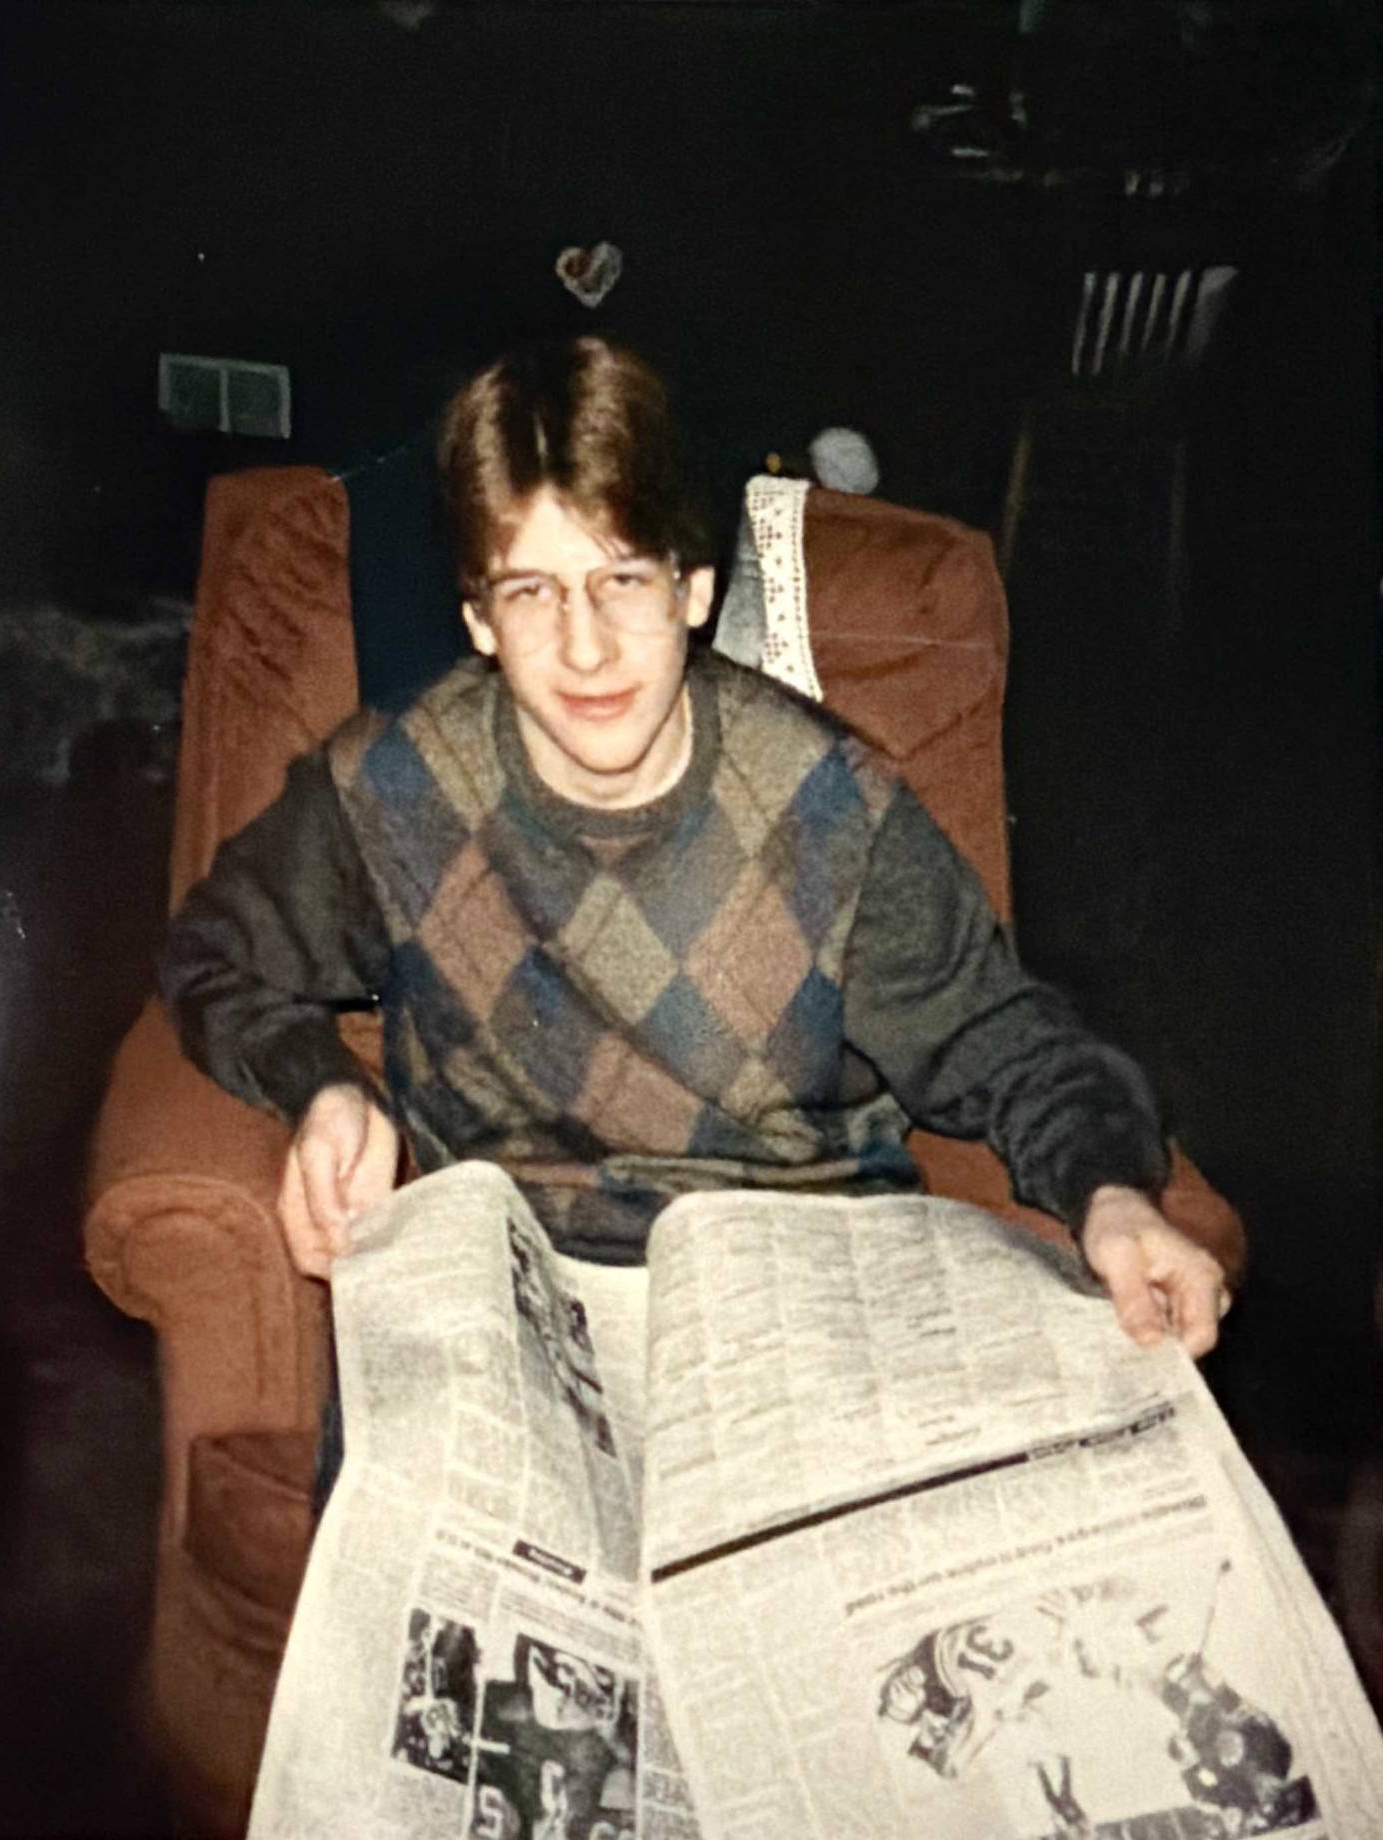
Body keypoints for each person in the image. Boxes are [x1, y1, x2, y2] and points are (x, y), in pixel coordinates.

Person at [159, 336, 1230, 1358]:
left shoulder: (831, 809)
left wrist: (1114, 1195)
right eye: (533, 592)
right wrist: (320, 1085)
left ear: (694, 590)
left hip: (801, 1309)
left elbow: (1011, 1045)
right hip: (524, 1323)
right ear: (479, 618)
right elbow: (211, 955)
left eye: (624, 579)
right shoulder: (391, 789)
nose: (585, 648)